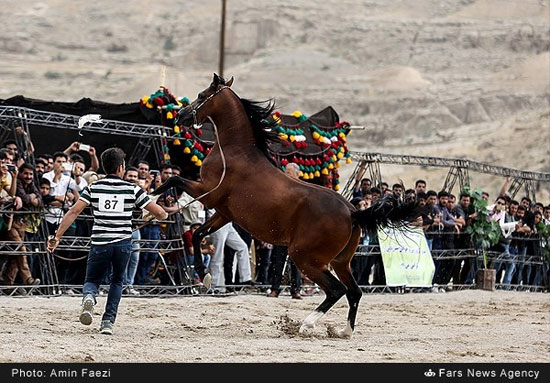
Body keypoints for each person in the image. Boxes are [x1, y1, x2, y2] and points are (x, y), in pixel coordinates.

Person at [47, 147, 168, 335]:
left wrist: (57, 237)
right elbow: (159, 213)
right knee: (117, 281)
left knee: (92, 280)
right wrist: (164, 213)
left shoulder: (94, 187)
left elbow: (73, 212)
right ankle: (107, 322)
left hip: (100, 243)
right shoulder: (132, 188)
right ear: (121, 168)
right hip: (122, 244)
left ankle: (89, 297)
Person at [267, 163, 303, 299]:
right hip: (282, 230)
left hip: (297, 231)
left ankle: (296, 290)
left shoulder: (302, 189)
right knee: (278, 260)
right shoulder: (280, 188)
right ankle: (275, 288)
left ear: (297, 174)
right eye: (286, 171)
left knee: (296, 261)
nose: (286, 174)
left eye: (289, 172)